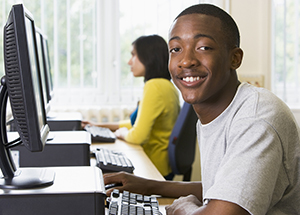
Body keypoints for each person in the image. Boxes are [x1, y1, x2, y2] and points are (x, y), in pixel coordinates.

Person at [103, 3, 300, 215]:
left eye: (203, 47)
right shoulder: (216, 111)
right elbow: (224, 188)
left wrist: (185, 208)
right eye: (176, 49)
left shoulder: (255, 119)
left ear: (235, 58)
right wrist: (150, 186)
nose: (186, 61)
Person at [82, 35, 180, 179]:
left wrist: (121, 134)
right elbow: (136, 123)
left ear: (148, 57)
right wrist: (99, 125)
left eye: (134, 55)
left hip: (153, 168)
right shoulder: (166, 85)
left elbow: (137, 136)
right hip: (159, 164)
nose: (129, 62)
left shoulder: (154, 87)